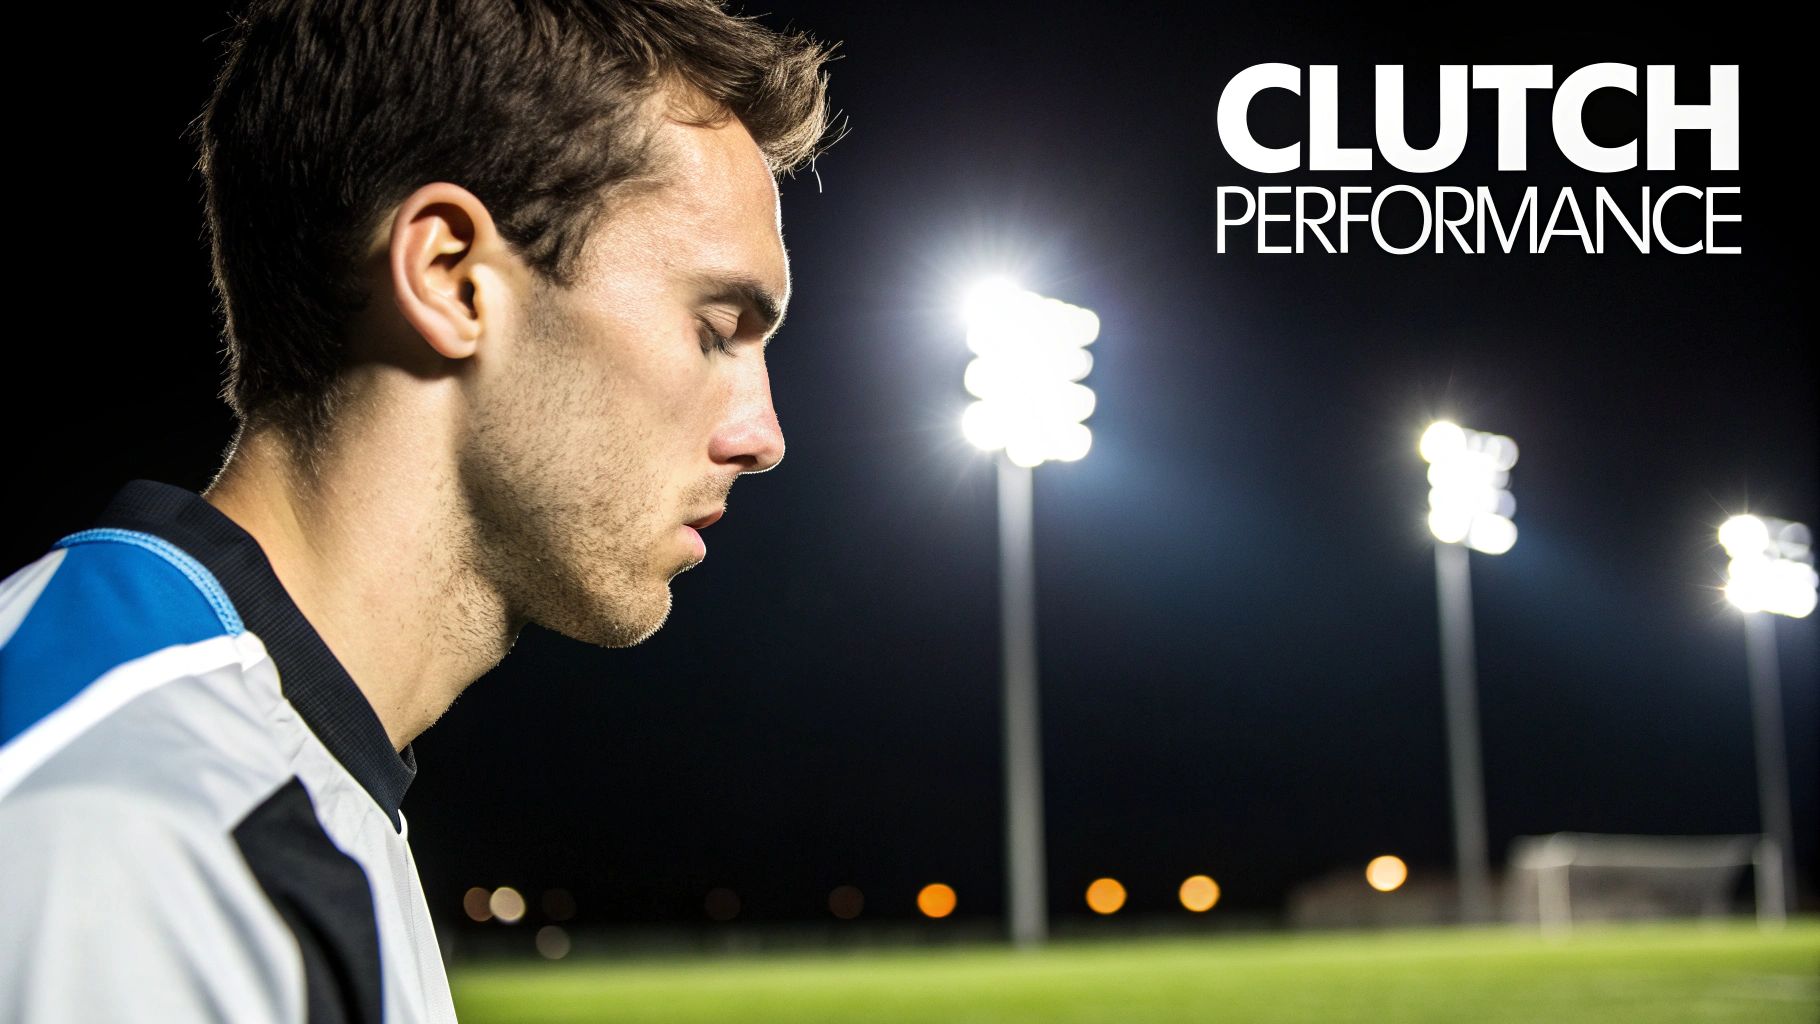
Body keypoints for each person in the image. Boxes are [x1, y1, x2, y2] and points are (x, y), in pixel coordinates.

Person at [0, 0, 836, 1020]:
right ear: (449, 278)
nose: (761, 434)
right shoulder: (132, 837)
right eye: (715, 329)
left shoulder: (280, 774)